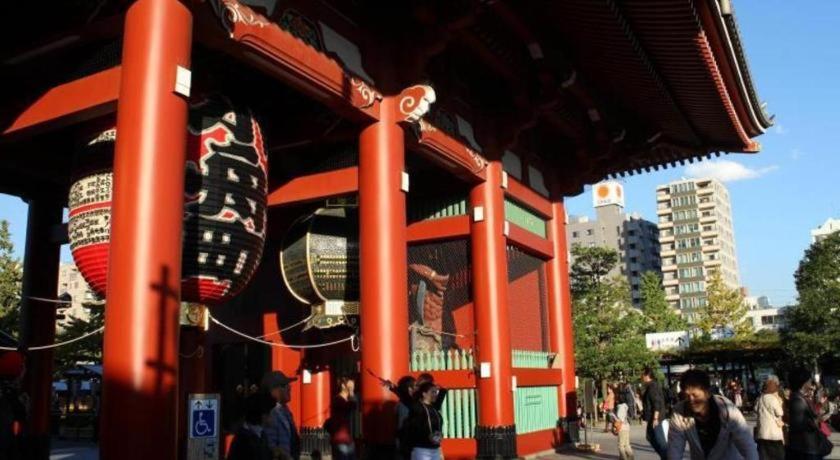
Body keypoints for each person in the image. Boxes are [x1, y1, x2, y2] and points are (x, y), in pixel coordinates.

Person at [667, 369, 757, 459]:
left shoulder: (728, 410)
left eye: (696, 395)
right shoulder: (679, 412)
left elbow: (748, 446)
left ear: (708, 393)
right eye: (686, 396)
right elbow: (674, 449)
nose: (691, 400)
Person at [786, 367, 832, 459]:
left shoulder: (799, 397)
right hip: (806, 448)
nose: (811, 383)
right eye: (809, 380)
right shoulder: (797, 400)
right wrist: (817, 419)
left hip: (807, 447)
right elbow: (799, 424)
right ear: (803, 382)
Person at [403, 381, 448, 460]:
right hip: (421, 450)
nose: (435, 394)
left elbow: (441, 395)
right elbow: (406, 399)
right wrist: (392, 387)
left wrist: (443, 389)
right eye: (432, 392)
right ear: (424, 394)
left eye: (436, 392)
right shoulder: (417, 407)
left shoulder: (434, 408)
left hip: (435, 449)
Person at [262, 371, 300, 460]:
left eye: (289, 385)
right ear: (273, 390)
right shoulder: (269, 413)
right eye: (284, 385)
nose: (289, 388)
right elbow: (270, 447)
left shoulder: (286, 411)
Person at [227, 391, 276, 460]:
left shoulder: (261, 434)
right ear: (263, 415)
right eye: (271, 413)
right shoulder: (243, 440)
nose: (273, 416)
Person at [754, 375, 784, 460]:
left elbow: (755, 409)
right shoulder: (773, 399)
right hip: (773, 434)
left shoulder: (760, 398)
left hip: (762, 433)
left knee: (764, 457)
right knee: (777, 456)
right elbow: (780, 413)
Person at [328, 376, 357, 460]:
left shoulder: (344, 400)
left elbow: (353, 405)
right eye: (350, 385)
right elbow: (353, 405)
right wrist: (351, 391)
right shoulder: (338, 400)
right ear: (343, 386)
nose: (352, 386)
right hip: (340, 440)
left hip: (347, 439)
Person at [641, 367, 667, 459]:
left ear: (647, 375)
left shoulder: (652, 386)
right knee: (650, 437)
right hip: (652, 417)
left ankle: (667, 457)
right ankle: (665, 456)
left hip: (656, 418)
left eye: (642, 374)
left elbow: (657, 402)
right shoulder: (650, 386)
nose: (641, 376)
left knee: (660, 441)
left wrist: (655, 418)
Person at [609, 390, 634, 460]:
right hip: (626, 426)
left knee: (621, 446)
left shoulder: (620, 407)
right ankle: (631, 457)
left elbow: (619, 419)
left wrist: (612, 415)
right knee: (627, 445)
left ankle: (624, 458)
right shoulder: (626, 406)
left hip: (622, 427)